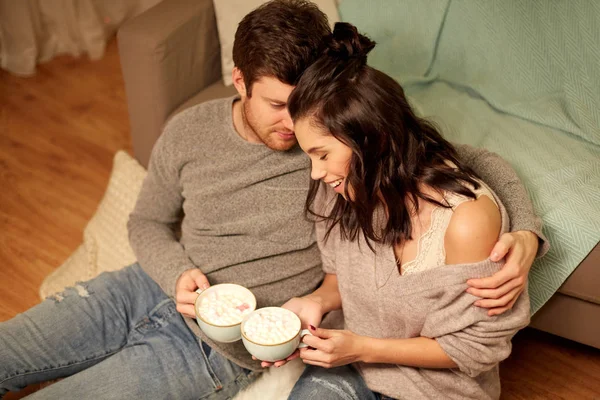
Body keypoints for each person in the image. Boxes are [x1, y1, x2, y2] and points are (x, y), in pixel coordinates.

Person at [0, 2, 542, 399]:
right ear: (239, 81)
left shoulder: (343, 140)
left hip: (218, 345)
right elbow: (146, 220)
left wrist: (526, 234)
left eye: (308, 104)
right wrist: (176, 273)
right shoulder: (191, 131)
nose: (297, 124)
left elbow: (465, 165)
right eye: (280, 105)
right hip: (141, 287)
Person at [281, 23, 548, 400]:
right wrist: (317, 301)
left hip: (434, 389)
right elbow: (343, 277)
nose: (315, 172)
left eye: (321, 154)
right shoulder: (341, 184)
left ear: (375, 141)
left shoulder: (464, 222)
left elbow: (471, 348)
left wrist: (363, 347)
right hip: (352, 368)